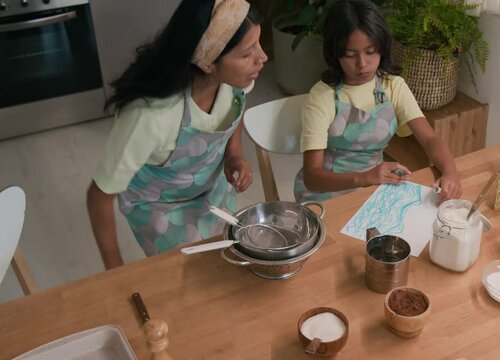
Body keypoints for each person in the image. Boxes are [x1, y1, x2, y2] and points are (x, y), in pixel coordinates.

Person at [86, 0, 268, 269]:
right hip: (158, 206)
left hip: (212, 190)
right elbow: (99, 196)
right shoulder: (149, 116)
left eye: (259, 45)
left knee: (226, 263)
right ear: (209, 63)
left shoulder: (237, 82)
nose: (263, 58)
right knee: (191, 275)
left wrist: (234, 155)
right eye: (246, 53)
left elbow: (235, 111)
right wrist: (114, 270)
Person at [294, 0, 462, 203]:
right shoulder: (322, 97)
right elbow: (313, 178)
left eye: (370, 52)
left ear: (382, 48)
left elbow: (429, 139)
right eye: (349, 54)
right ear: (335, 53)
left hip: (373, 188)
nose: (362, 64)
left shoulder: (393, 86)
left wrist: (450, 173)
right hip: (326, 194)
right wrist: (364, 177)